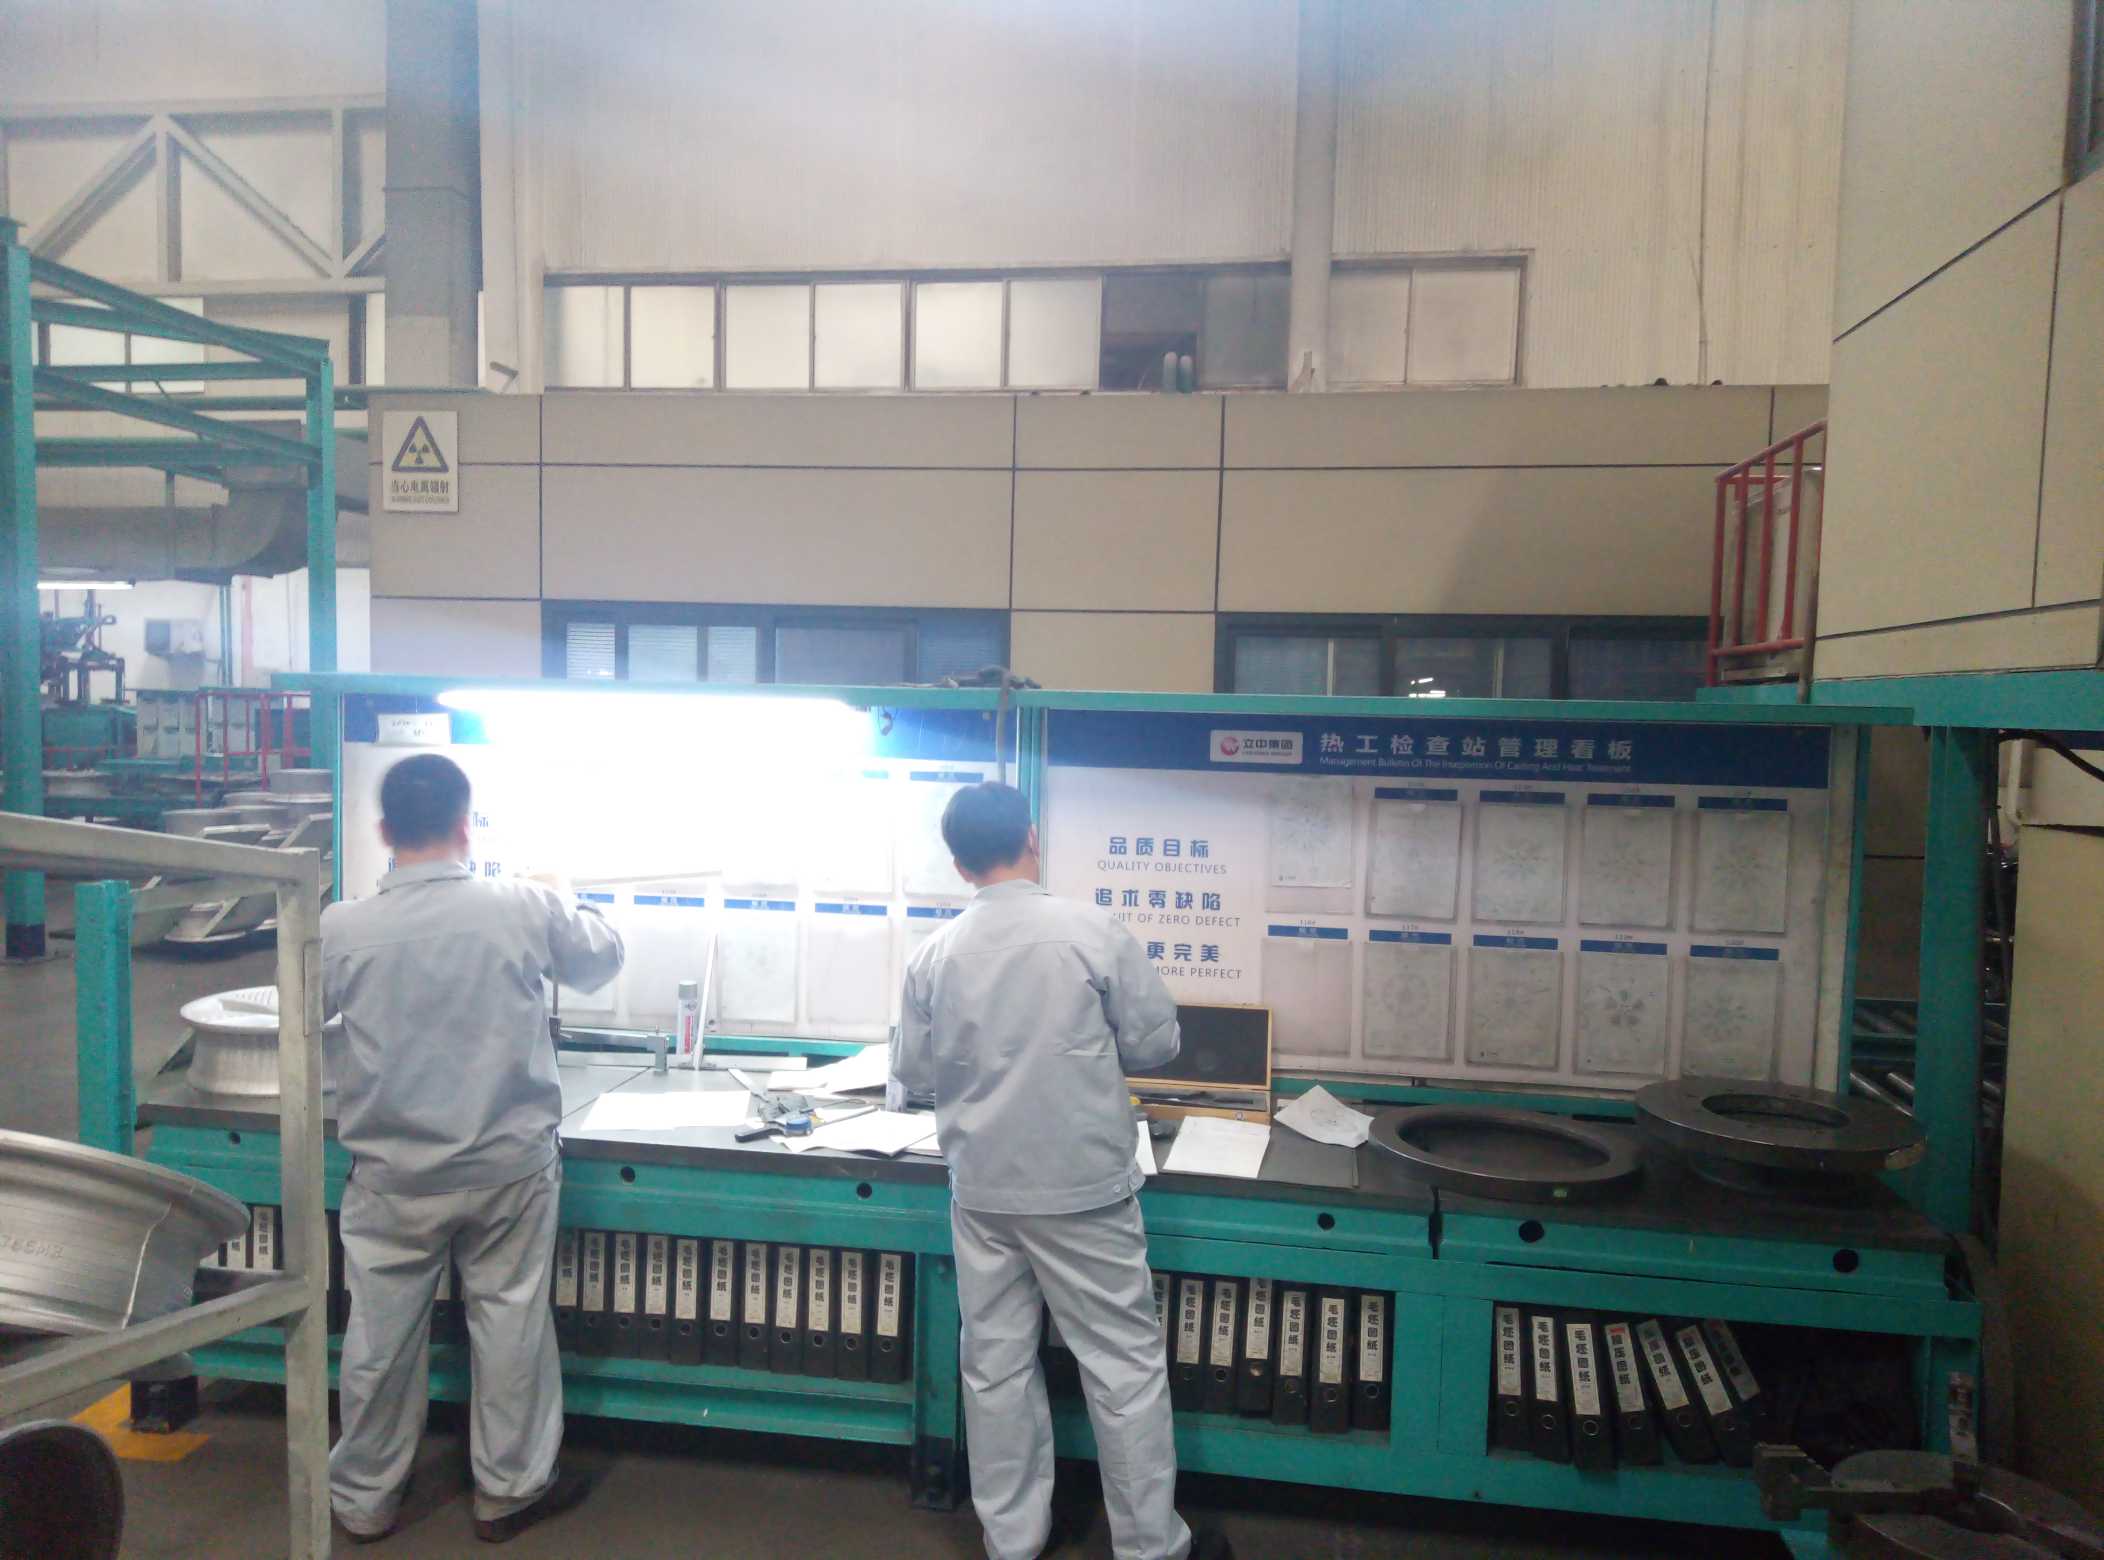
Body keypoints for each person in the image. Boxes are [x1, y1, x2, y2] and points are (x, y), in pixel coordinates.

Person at [892, 782, 1231, 1560]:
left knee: (996, 1364)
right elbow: (1154, 1044)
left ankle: (1012, 1540)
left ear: (958, 864)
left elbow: (912, 1072)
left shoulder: (934, 954)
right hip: (1083, 1192)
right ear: (1033, 838)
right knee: (1122, 1367)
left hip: (983, 1190)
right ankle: (1150, 1547)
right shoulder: (1091, 931)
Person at [322, 753, 624, 1545]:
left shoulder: (342, 927)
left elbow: (292, 1019)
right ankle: (509, 1490)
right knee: (510, 1320)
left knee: (380, 1337)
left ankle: (363, 1499)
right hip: (507, 1168)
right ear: (466, 825)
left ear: (384, 831)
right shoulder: (520, 905)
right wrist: (567, 894)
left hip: (392, 1176)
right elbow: (600, 961)